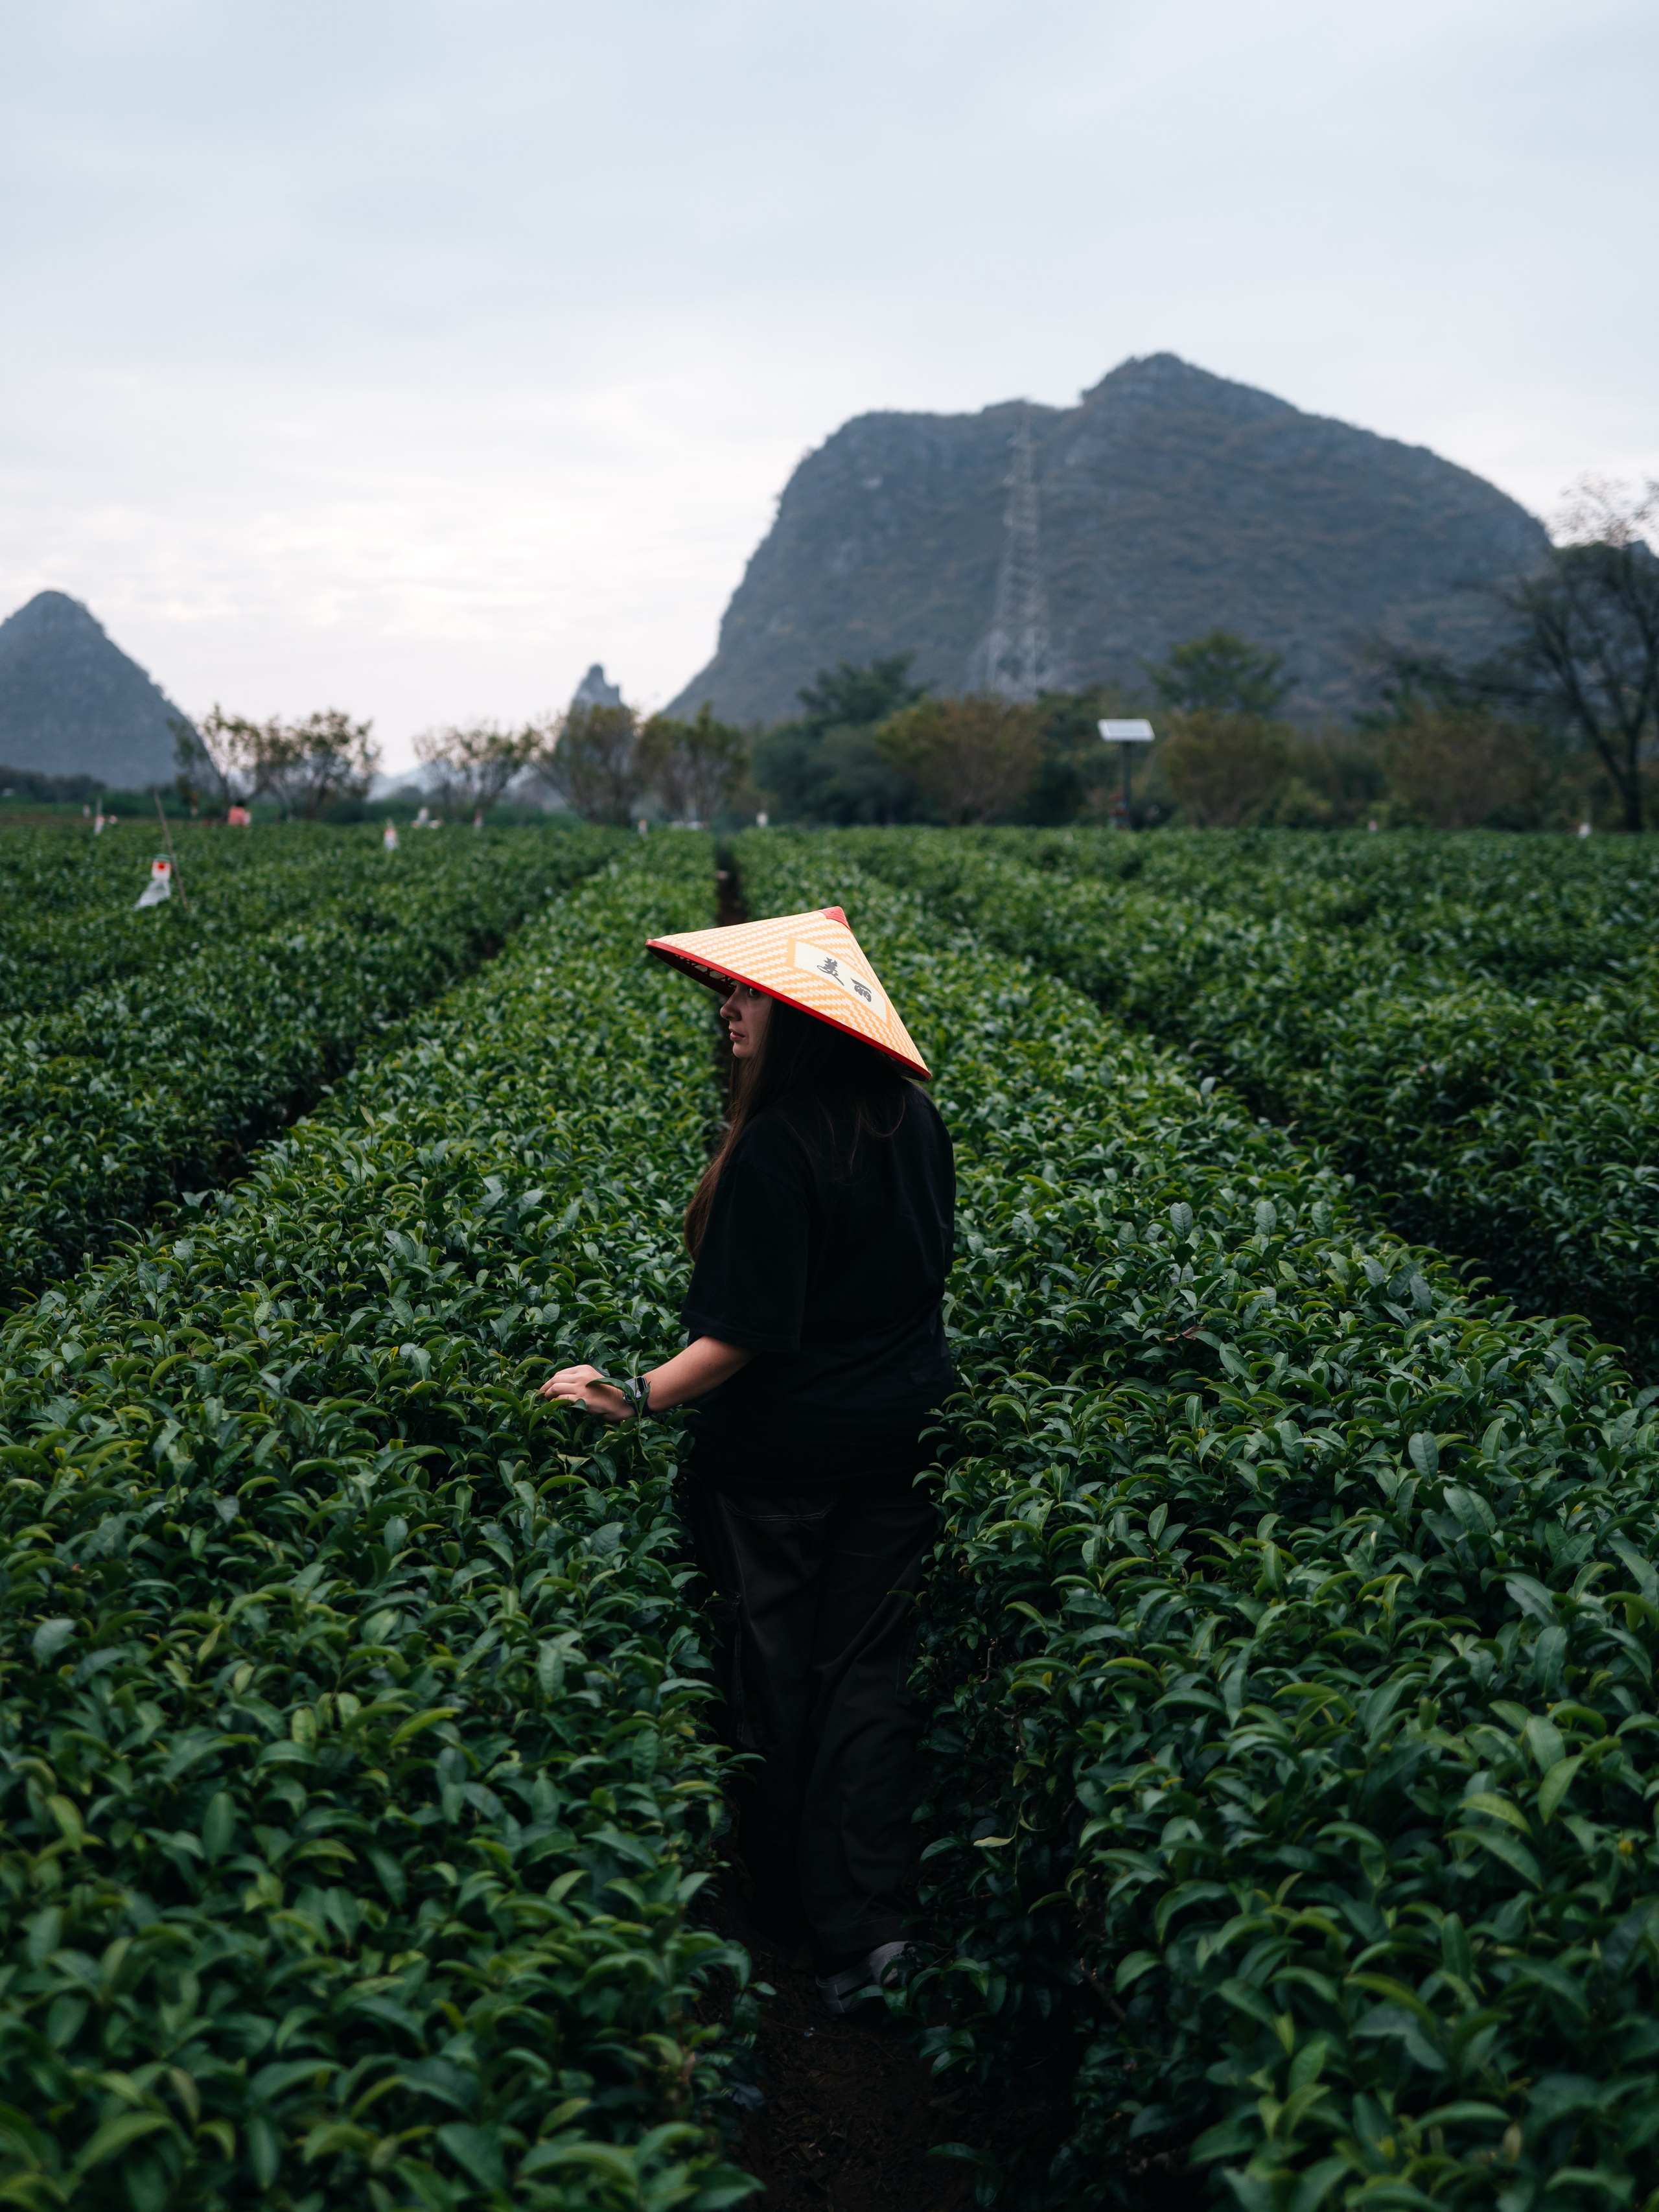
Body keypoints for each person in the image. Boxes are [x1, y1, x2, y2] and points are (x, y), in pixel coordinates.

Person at [542, 906, 955, 2016]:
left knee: (772, 1681)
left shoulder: (778, 1144)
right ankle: (870, 1928)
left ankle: (780, 1919)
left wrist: (627, 1394)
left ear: (806, 1021)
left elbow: (744, 1337)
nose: (728, 1011)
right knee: (866, 1679)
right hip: (898, 1446)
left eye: (751, 996)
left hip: (779, 1465)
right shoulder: (912, 1121)